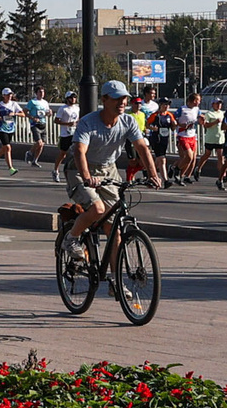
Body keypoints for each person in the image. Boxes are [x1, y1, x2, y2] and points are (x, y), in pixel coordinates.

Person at [64, 81, 160, 269]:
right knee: (98, 209)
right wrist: (86, 178)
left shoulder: (128, 121)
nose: (122, 103)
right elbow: (79, 152)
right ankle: (71, 238)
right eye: (117, 99)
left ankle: (116, 283)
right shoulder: (88, 122)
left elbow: (142, 148)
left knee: (114, 230)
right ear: (104, 100)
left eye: (124, 98)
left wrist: (153, 174)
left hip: (109, 169)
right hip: (80, 169)